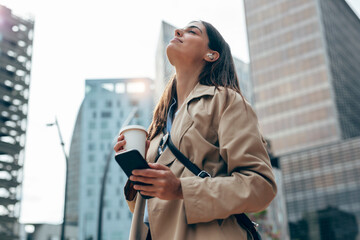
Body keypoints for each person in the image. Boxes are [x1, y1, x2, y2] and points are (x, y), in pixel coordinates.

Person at [114, 20, 277, 240]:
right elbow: (149, 211)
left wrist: (181, 189)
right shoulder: (158, 125)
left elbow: (261, 186)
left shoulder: (226, 101)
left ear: (211, 55)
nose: (178, 31)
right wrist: (138, 167)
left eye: (192, 31)